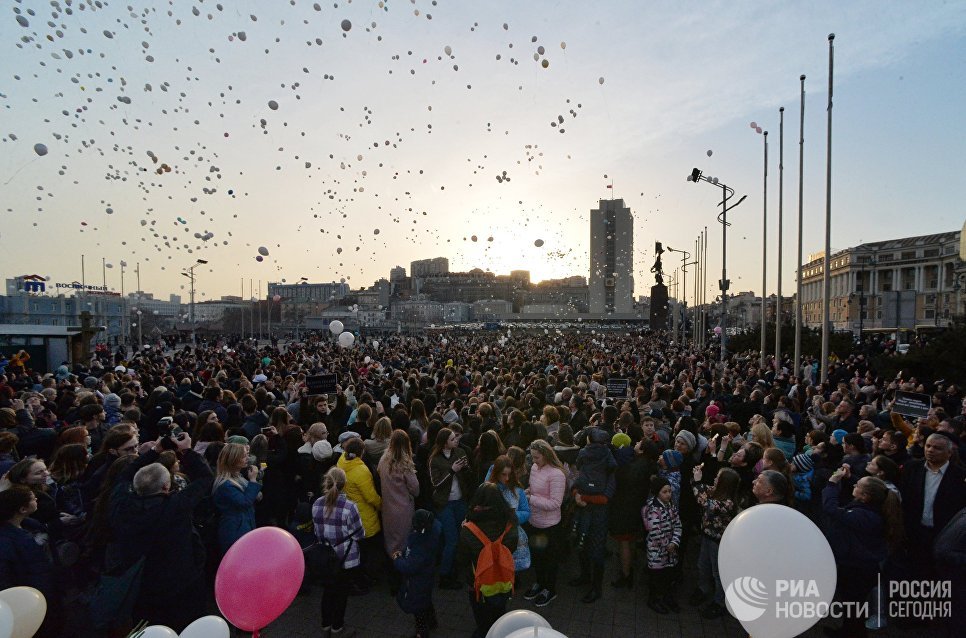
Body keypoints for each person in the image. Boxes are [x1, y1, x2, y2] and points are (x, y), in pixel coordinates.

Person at [106, 432, 214, 632]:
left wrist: (155, 451)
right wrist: (186, 451)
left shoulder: (120, 505)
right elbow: (205, 477)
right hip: (180, 583)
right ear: (167, 486)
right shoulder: (175, 506)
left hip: (142, 585)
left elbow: (123, 476)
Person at [823, 471, 904, 637]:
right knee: (852, 606)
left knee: (853, 607)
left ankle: (854, 633)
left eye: (857, 485)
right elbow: (862, 491)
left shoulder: (863, 516)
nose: (854, 485)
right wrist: (849, 478)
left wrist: (832, 483)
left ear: (865, 496)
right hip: (861, 568)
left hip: (858, 570)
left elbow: (830, 508)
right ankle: (847, 631)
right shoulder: (871, 508)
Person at [455, 483, 518, 638]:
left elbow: (461, 559)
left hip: (478, 581)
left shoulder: (469, 530)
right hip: (503, 578)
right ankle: (499, 631)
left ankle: (484, 632)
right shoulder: (510, 524)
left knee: (481, 614)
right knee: (499, 609)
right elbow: (512, 548)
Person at [313, 467, 364, 638]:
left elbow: (317, 532)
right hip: (345, 558)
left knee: (328, 591)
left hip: (325, 556)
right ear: (344, 484)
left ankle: (325, 625)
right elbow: (359, 534)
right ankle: (337, 627)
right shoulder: (350, 507)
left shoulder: (317, 504)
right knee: (342, 592)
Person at [689, 466, 740, 619]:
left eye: (718, 477)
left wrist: (697, 482)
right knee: (702, 565)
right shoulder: (716, 491)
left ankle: (720, 602)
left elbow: (704, 503)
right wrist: (698, 479)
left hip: (718, 542)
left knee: (718, 573)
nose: (715, 479)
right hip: (706, 536)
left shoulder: (728, 503)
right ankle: (703, 589)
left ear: (724, 483)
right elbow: (705, 489)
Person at [522, 439, 567, 608]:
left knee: (549, 559)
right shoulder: (534, 468)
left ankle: (550, 589)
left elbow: (555, 503)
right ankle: (539, 583)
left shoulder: (557, 474)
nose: (534, 461)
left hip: (550, 526)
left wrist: (530, 498)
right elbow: (534, 489)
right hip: (534, 521)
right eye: (532, 457)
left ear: (546, 455)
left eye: (537, 458)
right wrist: (527, 492)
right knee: (538, 557)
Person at [428, 427, 473, 589]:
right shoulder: (435, 459)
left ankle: (456, 566)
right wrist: (451, 470)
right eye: (453, 439)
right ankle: (445, 576)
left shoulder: (460, 452)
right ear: (444, 443)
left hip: (460, 500)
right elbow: (436, 484)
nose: (456, 440)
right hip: (444, 503)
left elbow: (469, 476)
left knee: (462, 535)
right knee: (451, 539)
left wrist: (466, 468)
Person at [337, 436, 382, 587]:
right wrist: (381, 505)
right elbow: (370, 496)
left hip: (349, 512)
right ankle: (364, 577)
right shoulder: (361, 470)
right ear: (361, 452)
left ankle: (357, 575)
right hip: (364, 515)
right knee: (368, 549)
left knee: (357, 547)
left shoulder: (341, 461)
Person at [392, 509, 441, 638]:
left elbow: (409, 567)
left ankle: (421, 633)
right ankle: (432, 621)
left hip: (417, 582)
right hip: (427, 578)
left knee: (418, 609)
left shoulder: (420, 545)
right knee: (426, 601)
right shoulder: (432, 534)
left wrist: (397, 559)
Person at [378, 430, 420, 565]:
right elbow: (415, 489)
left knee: (390, 539)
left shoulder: (383, 460)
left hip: (387, 506)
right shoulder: (405, 464)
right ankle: (402, 568)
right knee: (403, 540)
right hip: (404, 508)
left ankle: (391, 568)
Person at [642, 476, 682, 614]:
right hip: (657, 553)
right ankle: (653, 599)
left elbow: (678, 524)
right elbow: (654, 531)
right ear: (657, 492)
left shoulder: (671, 506)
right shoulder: (652, 509)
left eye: (669, 491)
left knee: (668, 575)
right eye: (664, 492)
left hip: (670, 551)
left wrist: (674, 542)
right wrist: (667, 545)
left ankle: (666, 597)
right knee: (656, 577)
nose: (668, 494)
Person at [212, 442, 261, 553]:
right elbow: (244, 502)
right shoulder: (225, 484)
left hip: (244, 524)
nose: (247, 458)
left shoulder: (238, 477)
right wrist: (253, 480)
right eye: (243, 456)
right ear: (234, 459)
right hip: (235, 529)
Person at [487, 454, 531, 576]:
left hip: (512, 534)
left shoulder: (518, 489)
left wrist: (513, 516)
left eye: (509, 474)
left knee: (511, 569)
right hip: (492, 534)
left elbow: (526, 511)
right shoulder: (488, 489)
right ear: (496, 473)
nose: (506, 478)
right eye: (503, 474)